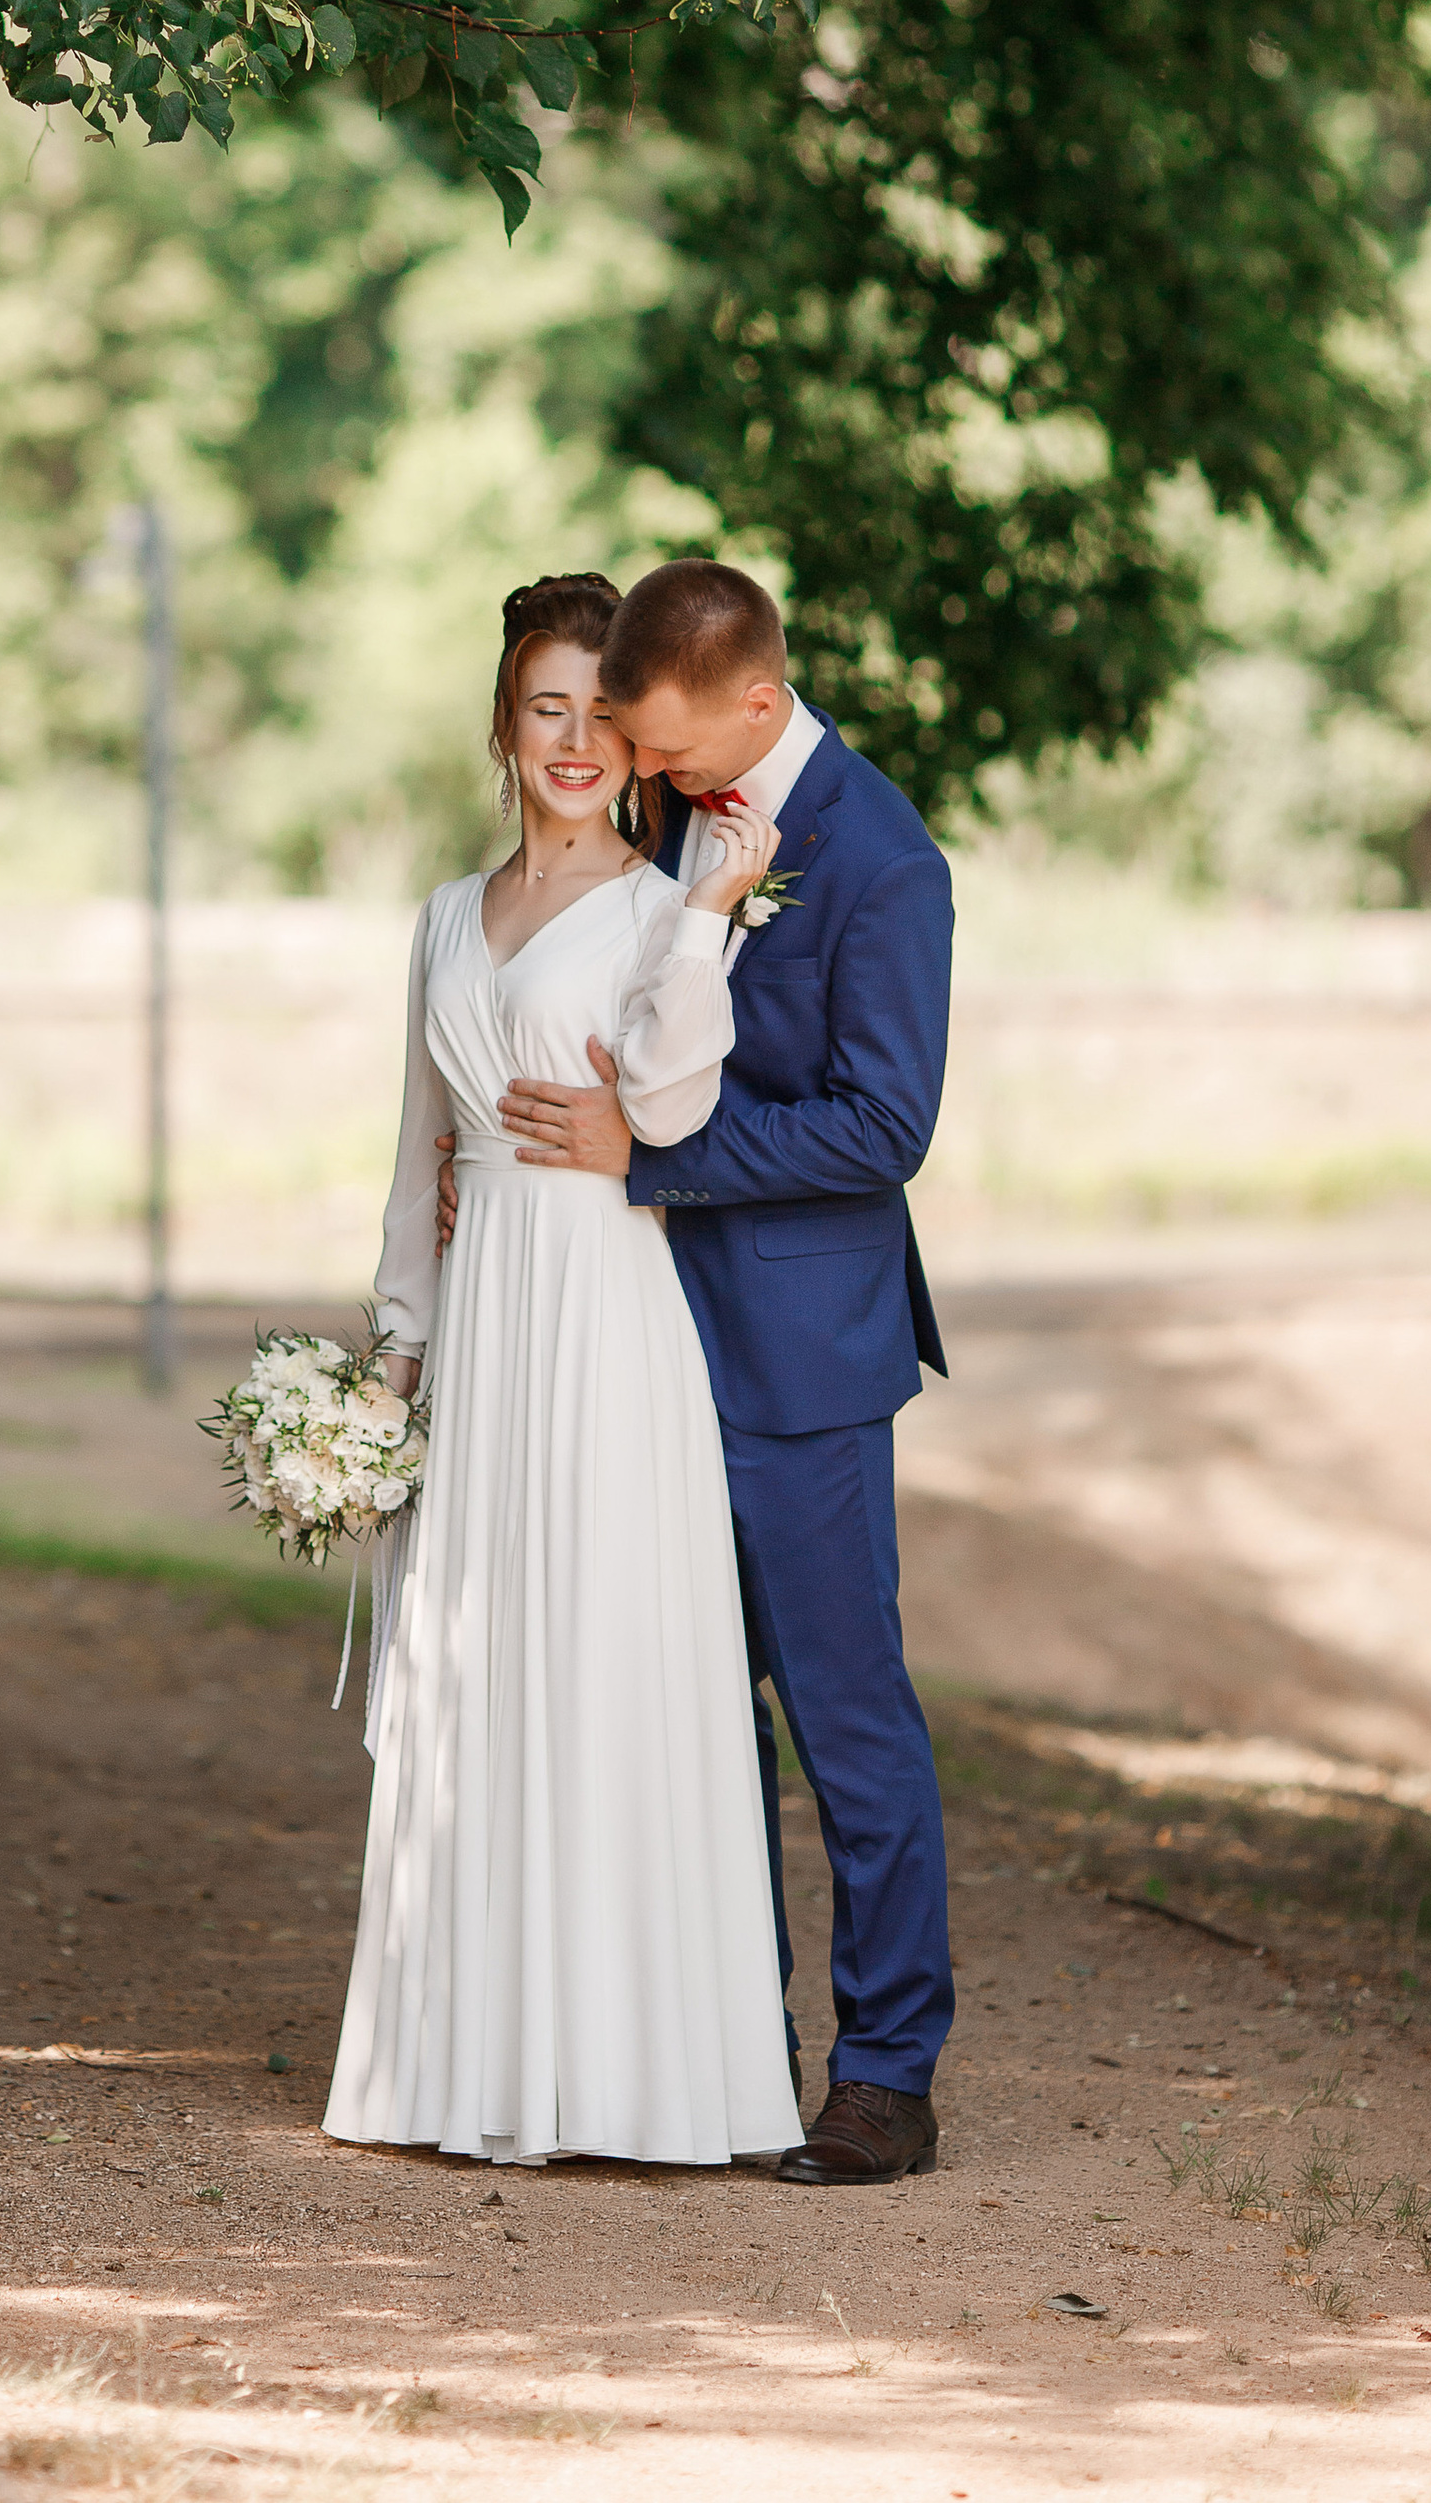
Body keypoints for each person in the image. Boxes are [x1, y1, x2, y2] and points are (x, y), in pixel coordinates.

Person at [462, 557, 954, 2187]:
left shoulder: (884, 863)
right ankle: (728, 2049)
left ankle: (886, 2076)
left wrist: (646, 1160)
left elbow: (885, 1128)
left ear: (757, 699)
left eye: (674, 755)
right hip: (638, 1345)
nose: (655, 784)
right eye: (643, 759)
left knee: (844, 1719)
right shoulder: (682, 814)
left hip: (800, 1362)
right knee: (685, 1719)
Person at [323, 571, 801, 2171]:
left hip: (604, 1309)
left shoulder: (667, 900)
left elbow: (668, 1112)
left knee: (601, 1659)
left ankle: (622, 2075)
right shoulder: (442, 922)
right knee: (479, 1660)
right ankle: (464, 2067)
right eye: (549, 708)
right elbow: (418, 1148)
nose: (579, 739)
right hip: (481, 1318)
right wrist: (394, 1351)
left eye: (607, 712)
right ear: (504, 726)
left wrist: (715, 913)